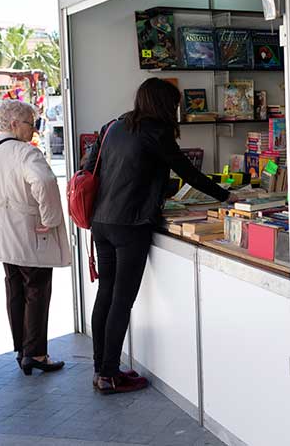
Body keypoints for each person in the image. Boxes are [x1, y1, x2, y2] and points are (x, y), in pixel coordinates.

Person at [84, 77, 233, 395]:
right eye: (175, 105)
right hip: (131, 224)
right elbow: (188, 172)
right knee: (122, 300)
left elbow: (90, 166)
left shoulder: (113, 125)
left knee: (106, 294)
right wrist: (225, 196)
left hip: (102, 221)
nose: (177, 111)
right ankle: (110, 374)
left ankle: (100, 368)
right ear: (164, 105)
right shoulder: (156, 131)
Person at [0, 100, 70, 375]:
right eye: (32, 123)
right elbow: (44, 182)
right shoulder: (25, 153)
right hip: (26, 231)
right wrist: (49, 219)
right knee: (37, 290)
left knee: (15, 289)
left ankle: (22, 350)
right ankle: (36, 354)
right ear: (16, 124)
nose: (35, 129)